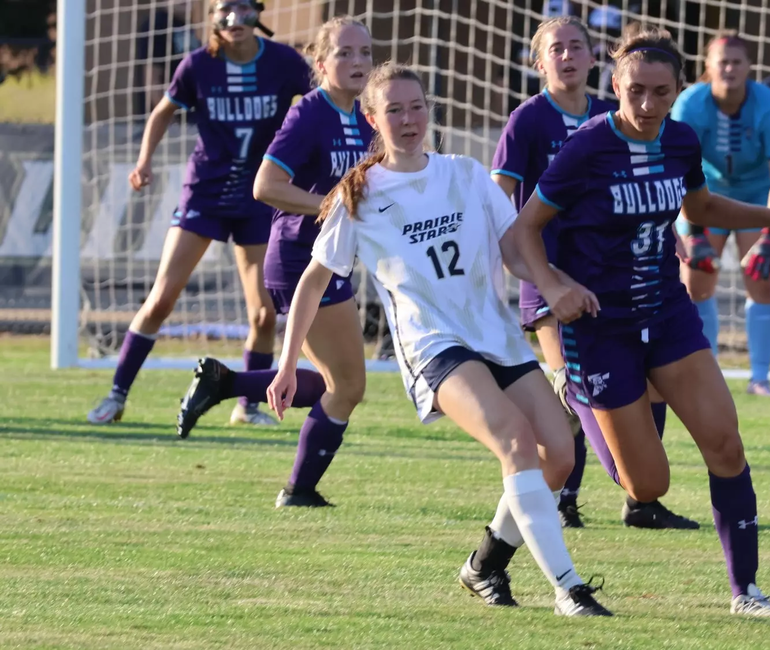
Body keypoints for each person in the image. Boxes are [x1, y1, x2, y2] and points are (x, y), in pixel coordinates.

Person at [269, 61, 612, 616]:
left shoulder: (467, 174)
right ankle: (568, 588)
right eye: (395, 109)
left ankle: (483, 566)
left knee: (560, 454)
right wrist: (287, 365)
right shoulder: (358, 194)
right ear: (372, 118)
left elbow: (513, 251)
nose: (409, 119)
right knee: (516, 441)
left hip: (494, 336)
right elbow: (313, 281)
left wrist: (559, 284)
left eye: (417, 106)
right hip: (435, 345)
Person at [514, 24, 770, 617]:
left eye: (661, 92)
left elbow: (702, 207)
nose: (647, 104)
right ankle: (573, 386)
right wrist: (555, 287)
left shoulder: (682, 142)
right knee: (647, 487)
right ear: (615, 85)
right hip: (599, 328)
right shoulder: (586, 148)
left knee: (726, 444)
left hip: (667, 313)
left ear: (677, 90)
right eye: (635, 90)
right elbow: (520, 233)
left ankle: (748, 592)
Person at [490, 15, 698, 531]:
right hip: (550, 278)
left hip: (613, 283)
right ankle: (565, 496)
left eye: (576, 46)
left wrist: (666, 237)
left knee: (647, 389)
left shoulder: (619, 111)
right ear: (539, 62)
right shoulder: (529, 120)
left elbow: (642, 192)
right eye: (555, 48)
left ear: (595, 59)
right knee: (571, 386)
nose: (567, 55)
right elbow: (501, 200)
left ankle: (639, 500)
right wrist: (518, 262)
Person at [175, 17, 374, 508]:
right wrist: (331, 203)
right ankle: (298, 490)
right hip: (298, 258)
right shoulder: (310, 113)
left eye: (365, 53)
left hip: (329, 261)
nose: (358, 63)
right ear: (321, 62)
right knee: (348, 385)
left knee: (339, 384)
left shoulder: (365, 115)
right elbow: (265, 186)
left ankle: (227, 383)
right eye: (345, 54)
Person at [87, 1, 312, 426]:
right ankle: (116, 396)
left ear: (257, 14)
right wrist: (143, 162)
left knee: (264, 314)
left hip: (259, 199)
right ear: (211, 17)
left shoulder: (284, 62)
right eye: (224, 10)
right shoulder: (197, 65)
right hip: (204, 196)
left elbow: (317, 105)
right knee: (161, 300)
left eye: (243, 9)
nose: (234, 20)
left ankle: (249, 407)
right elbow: (162, 112)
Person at [670, 30, 770, 397]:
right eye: (722, 62)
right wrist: (692, 234)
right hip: (701, 195)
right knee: (697, 280)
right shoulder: (690, 104)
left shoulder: (769, 106)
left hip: (756, 198)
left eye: (737, 62)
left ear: (749, 67)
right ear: (708, 67)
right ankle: (705, 374)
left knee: (762, 279)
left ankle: (760, 378)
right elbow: (676, 173)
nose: (729, 69)